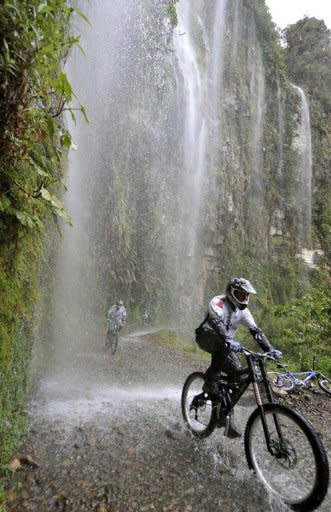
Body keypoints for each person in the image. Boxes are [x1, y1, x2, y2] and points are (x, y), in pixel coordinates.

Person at [195, 277, 282, 438]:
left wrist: (270, 349)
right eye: (240, 295)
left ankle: (226, 418)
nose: (244, 298)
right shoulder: (218, 302)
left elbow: (255, 331)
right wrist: (227, 339)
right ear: (231, 292)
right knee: (223, 344)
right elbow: (217, 321)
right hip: (206, 336)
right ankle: (211, 379)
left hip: (226, 344)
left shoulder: (243, 312)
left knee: (237, 378)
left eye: (245, 296)